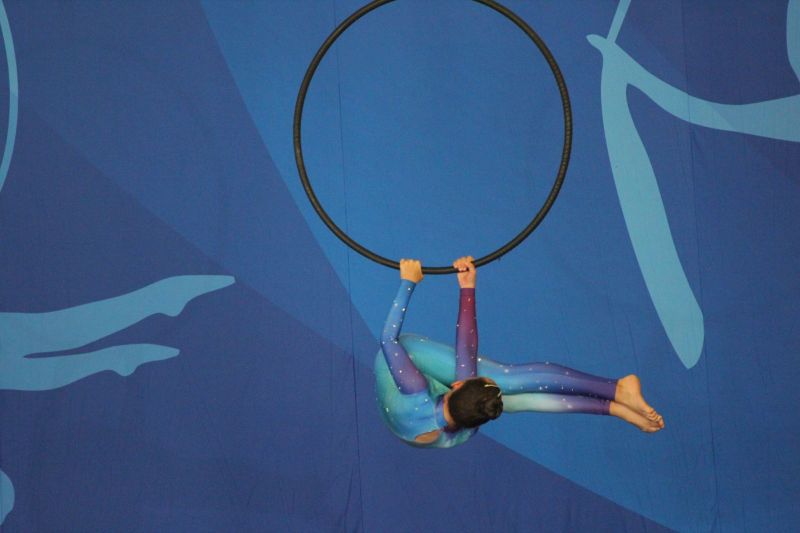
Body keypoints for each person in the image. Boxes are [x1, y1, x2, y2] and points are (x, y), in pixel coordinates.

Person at [375, 256, 664, 448]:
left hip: (409, 387)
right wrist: (411, 282)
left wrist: (464, 287)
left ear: (457, 386)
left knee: (509, 392)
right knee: (510, 386)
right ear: (458, 384)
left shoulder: (438, 404)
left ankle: (614, 401)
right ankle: (615, 393)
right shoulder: (443, 405)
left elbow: (395, 342)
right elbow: (396, 341)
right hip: (419, 383)